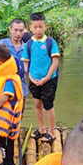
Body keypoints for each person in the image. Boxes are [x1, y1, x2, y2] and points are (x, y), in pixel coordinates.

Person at [23, 12, 60, 143]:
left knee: (48, 105)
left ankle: (51, 132)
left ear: (45, 27)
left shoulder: (50, 42)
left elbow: (55, 61)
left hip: (49, 80)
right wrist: (31, 77)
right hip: (34, 79)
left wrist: (47, 77)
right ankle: (41, 129)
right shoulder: (29, 44)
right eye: (35, 27)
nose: (38, 30)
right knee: (37, 104)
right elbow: (26, 62)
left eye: (40, 26)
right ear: (30, 28)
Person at [0, 19, 29, 98]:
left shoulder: (27, 48)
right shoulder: (1, 44)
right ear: (10, 30)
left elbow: (29, 68)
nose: (18, 34)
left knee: (19, 110)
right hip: (2, 88)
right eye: (15, 30)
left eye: (21, 31)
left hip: (21, 88)